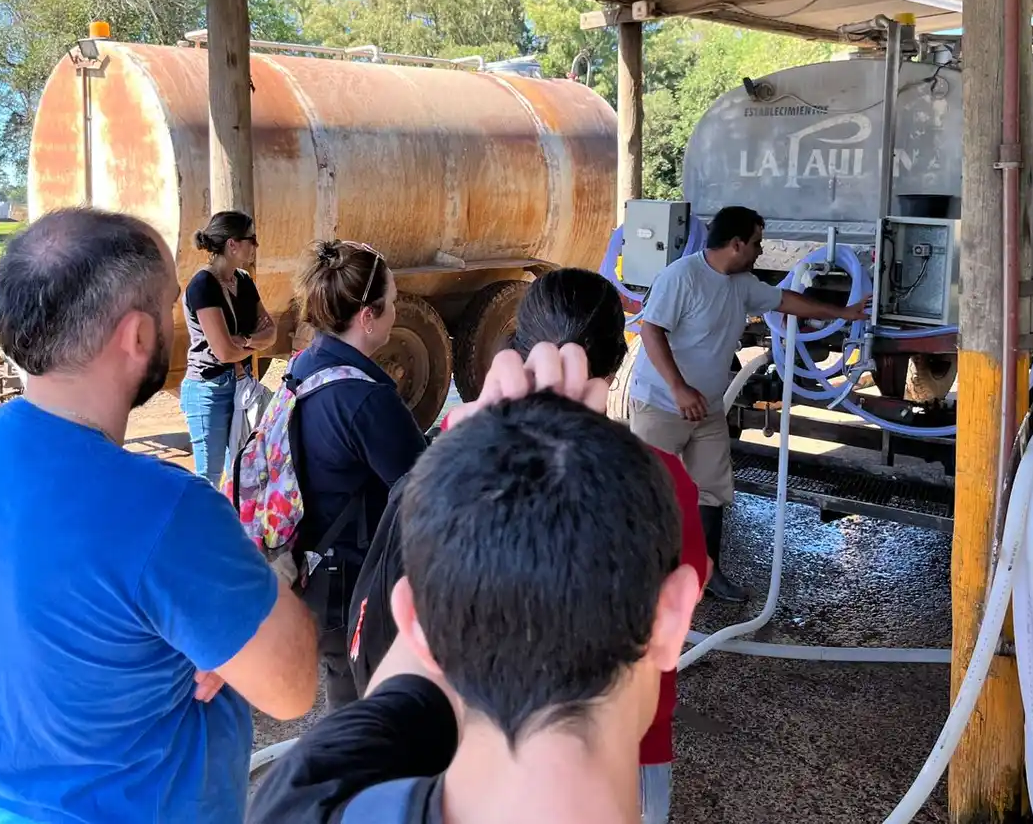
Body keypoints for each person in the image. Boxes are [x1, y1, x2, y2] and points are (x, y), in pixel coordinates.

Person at [0, 208, 316, 824]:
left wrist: (195, 629)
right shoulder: (168, 510)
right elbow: (292, 684)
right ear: (138, 336)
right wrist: (251, 593)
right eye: (170, 303)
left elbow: (63, 614)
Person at [248, 344, 703, 824]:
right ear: (674, 617)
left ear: (413, 623)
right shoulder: (306, 791)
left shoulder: (298, 806)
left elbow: (399, 685)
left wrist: (463, 467)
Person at [343, 268, 708, 824]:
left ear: (417, 623)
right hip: (637, 751)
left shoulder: (448, 472)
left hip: (456, 742)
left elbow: (324, 775)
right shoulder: (666, 480)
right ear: (672, 614)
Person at [630, 205, 869, 603]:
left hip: (705, 407)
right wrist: (678, 388)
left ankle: (707, 576)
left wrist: (843, 313)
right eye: (757, 243)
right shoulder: (682, 277)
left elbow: (786, 301)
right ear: (736, 244)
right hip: (662, 404)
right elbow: (651, 331)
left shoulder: (741, 283)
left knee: (710, 490)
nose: (761, 250)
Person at [288, 240, 427, 711]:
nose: (396, 310)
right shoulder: (366, 400)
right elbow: (424, 489)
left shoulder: (305, 367)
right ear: (368, 316)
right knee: (374, 718)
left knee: (344, 703)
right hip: (357, 589)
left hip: (313, 573)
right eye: (391, 302)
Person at [181, 211, 277, 487]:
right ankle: (202, 529)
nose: (255, 246)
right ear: (232, 244)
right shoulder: (202, 285)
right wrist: (252, 341)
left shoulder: (244, 281)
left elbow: (271, 333)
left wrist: (243, 340)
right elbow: (223, 352)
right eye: (251, 239)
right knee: (208, 478)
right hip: (208, 390)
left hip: (239, 387)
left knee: (241, 472)